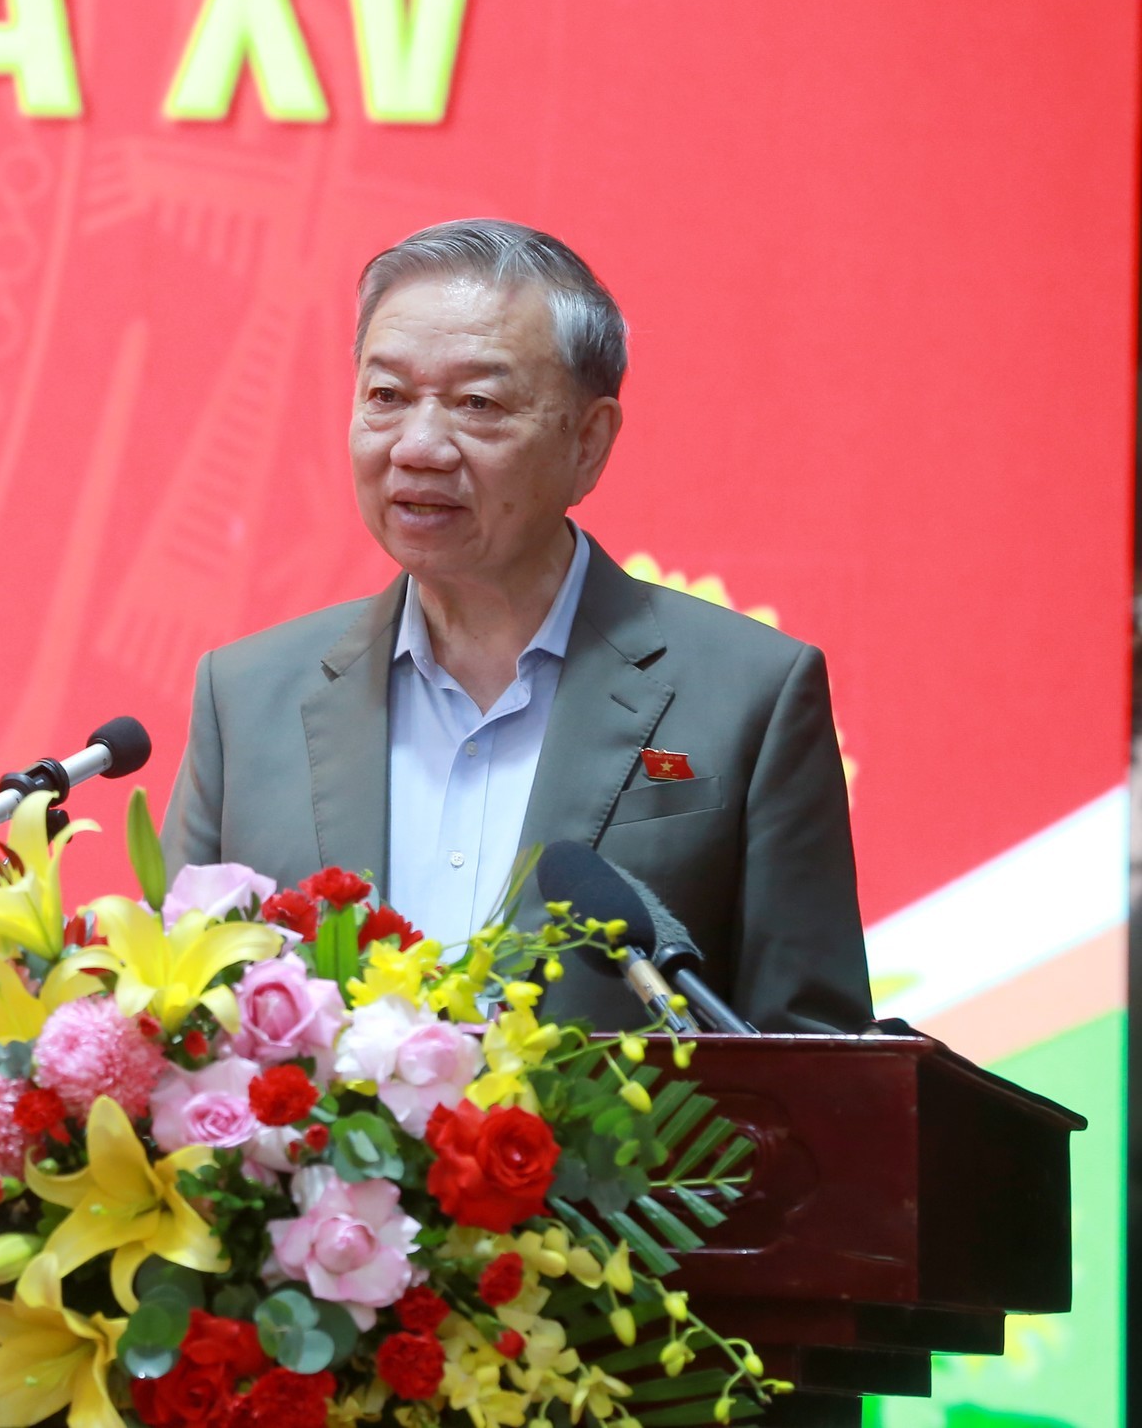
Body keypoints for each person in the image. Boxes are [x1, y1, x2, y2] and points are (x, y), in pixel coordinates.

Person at [160, 219, 872, 1033]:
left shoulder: (748, 697)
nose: (419, 447)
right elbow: (180, 1031)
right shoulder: (246, 699)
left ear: (588, 443)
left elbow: (816, 1061)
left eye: (478, 404)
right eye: (386, 396)